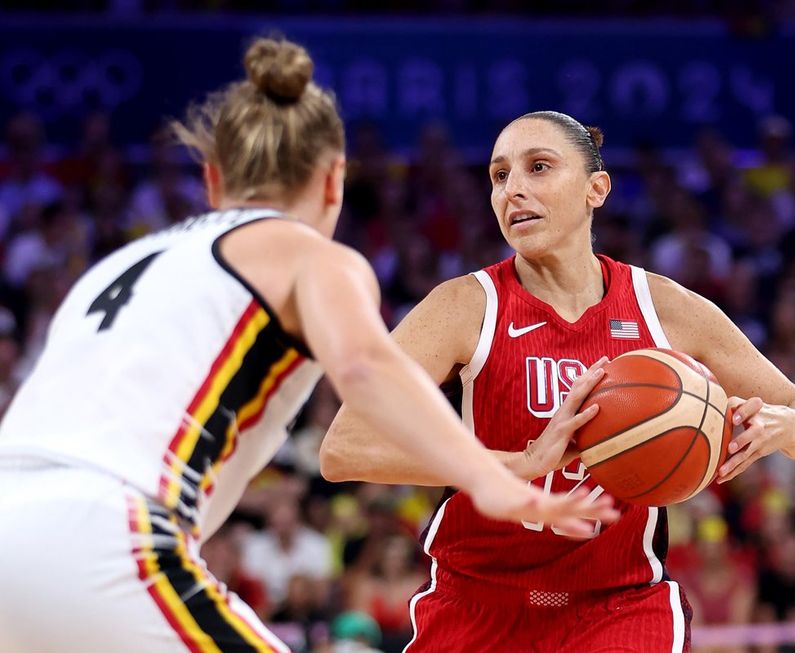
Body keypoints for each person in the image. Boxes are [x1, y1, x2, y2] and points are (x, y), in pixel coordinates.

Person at [0, 41, 616, 653]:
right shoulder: (311, 256)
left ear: (213, 179)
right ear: (333, 180)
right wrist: (495, 480)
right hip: (103, 534)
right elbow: (366, 369)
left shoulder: (114, 268)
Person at [321, 110, 795, 652]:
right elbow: (345, 449)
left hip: (620, 607)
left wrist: (781, 426)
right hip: (478, 605)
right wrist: (518, 463)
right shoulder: (464, 306)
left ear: (597, 189)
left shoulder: (663, 307)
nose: (513, 190)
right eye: (500, 177)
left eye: (538, 167)